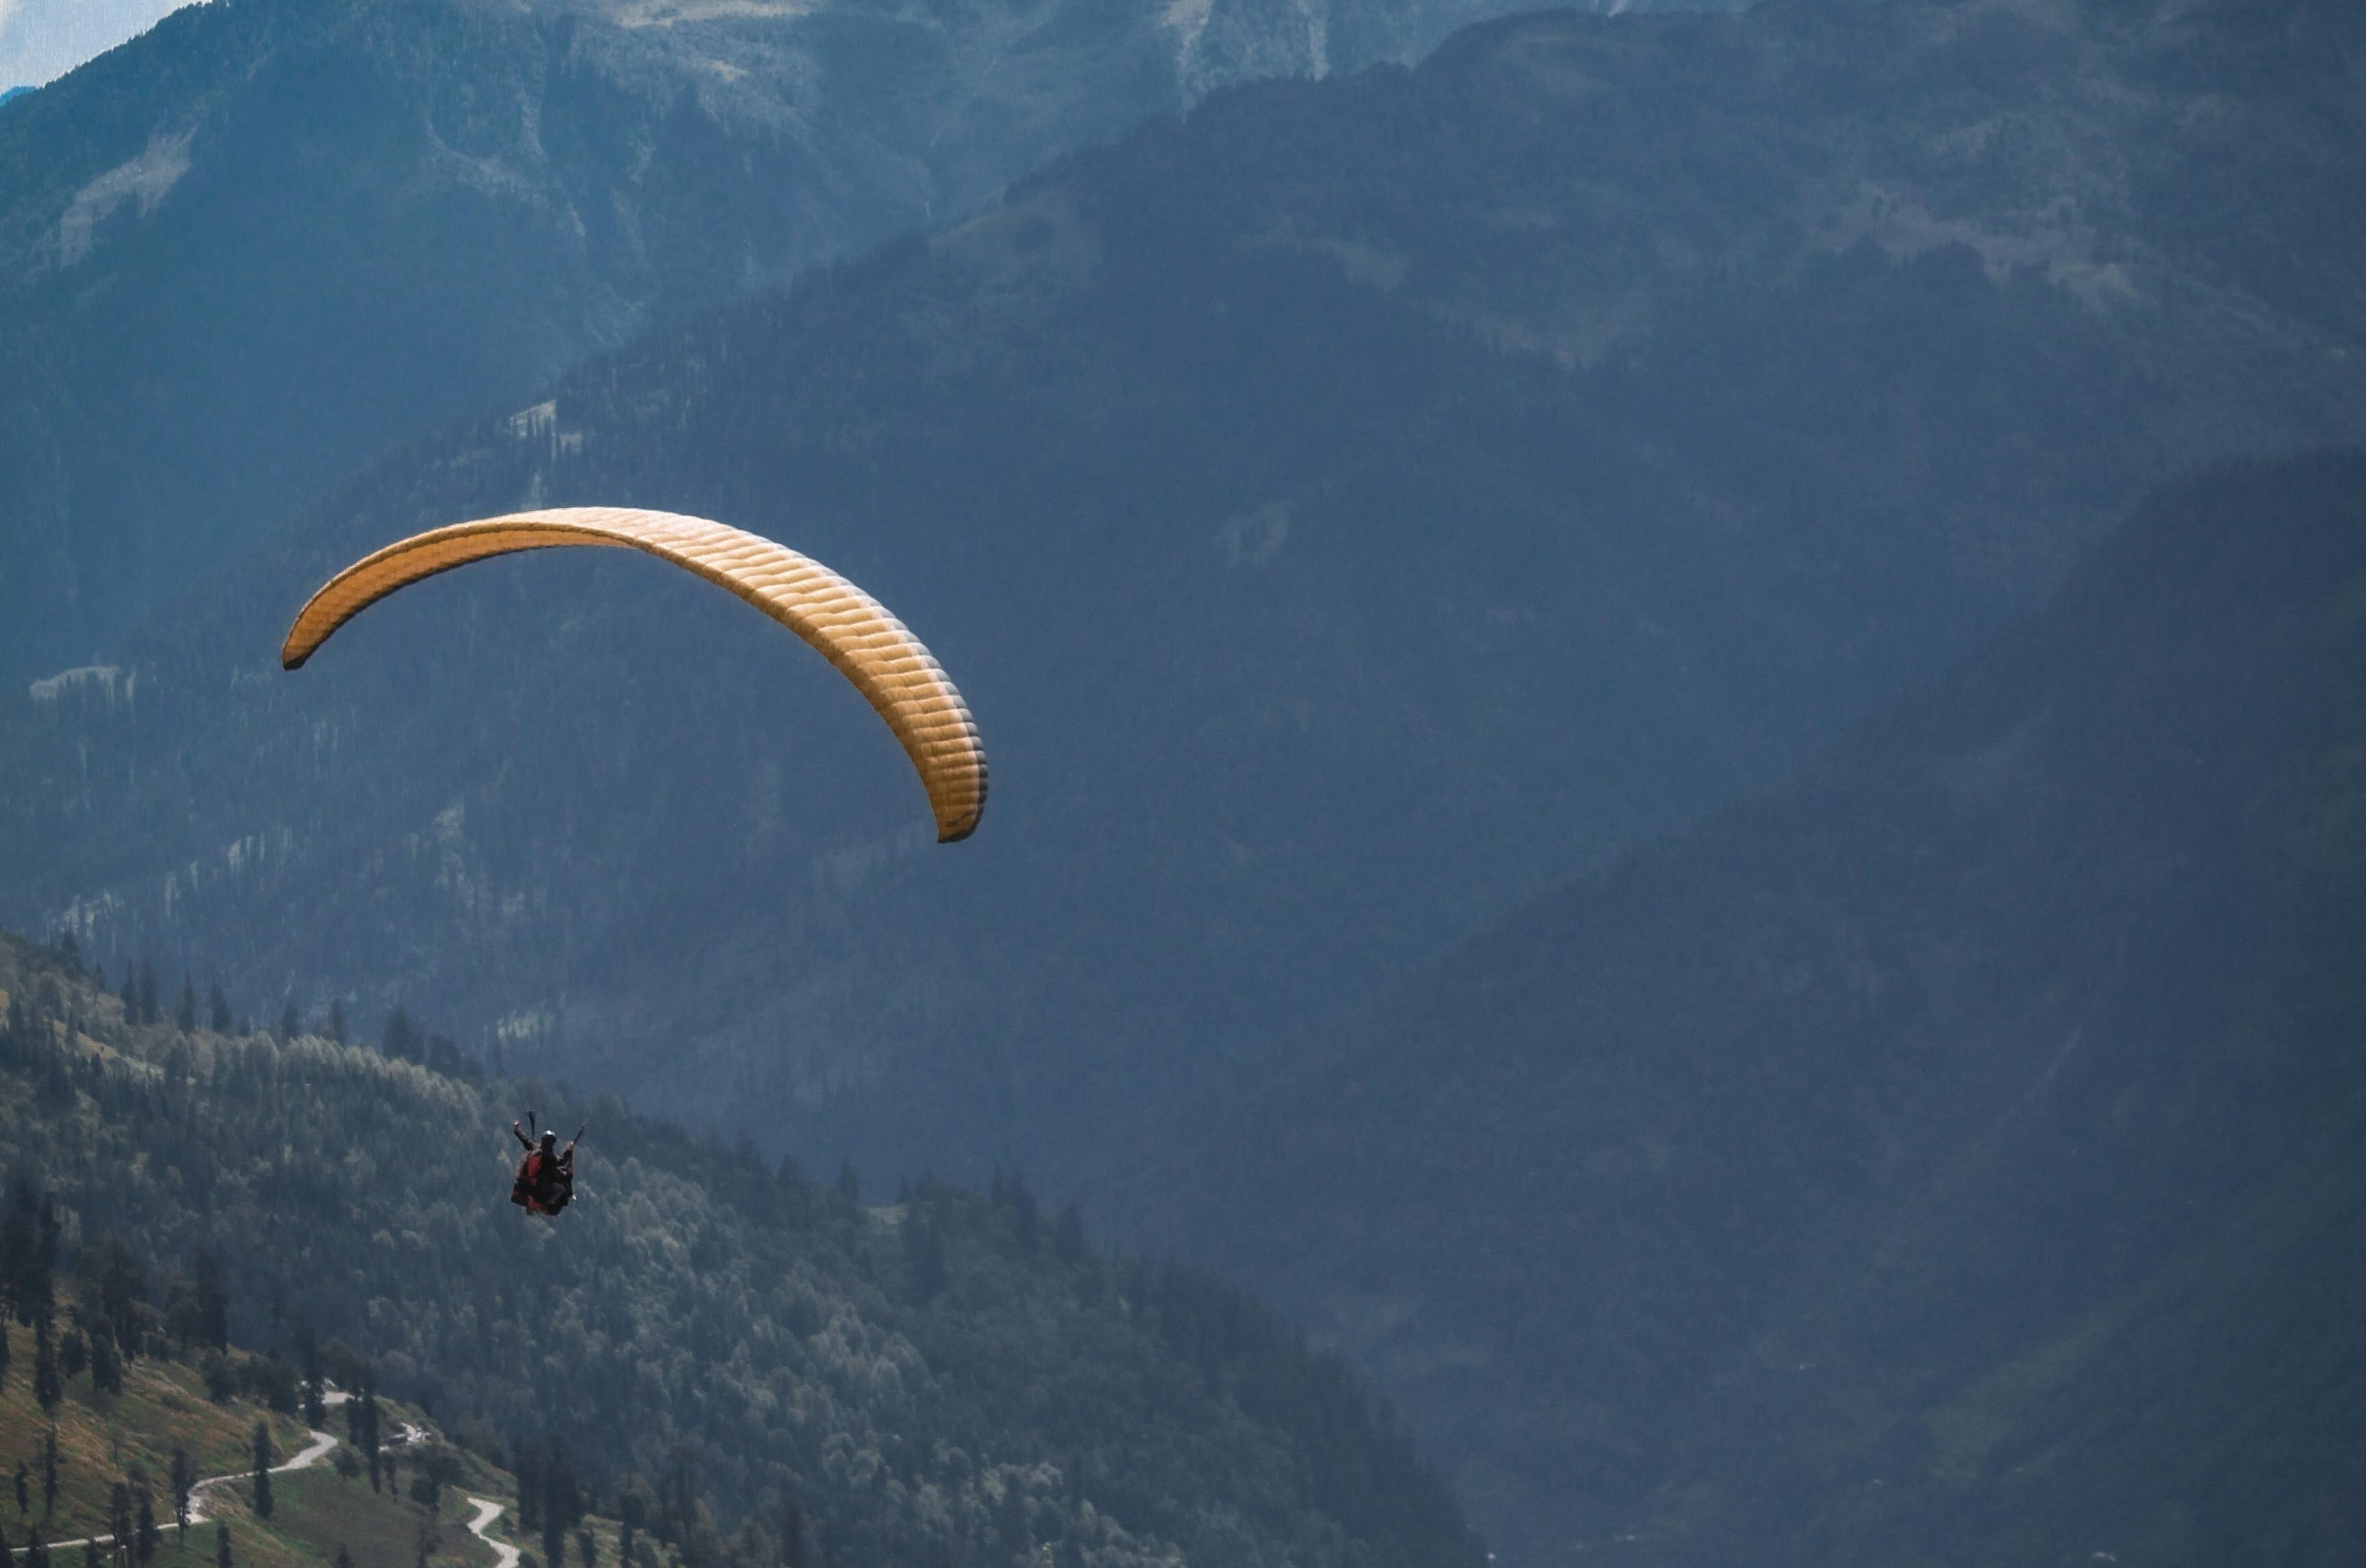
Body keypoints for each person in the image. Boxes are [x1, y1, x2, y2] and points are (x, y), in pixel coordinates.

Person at [509, 1120, 576, 1216]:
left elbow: (525, 1140)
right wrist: (569, 1150)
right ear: (552, 1144)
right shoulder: (548, 1155)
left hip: (523, 1183)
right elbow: (562, 1162)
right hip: (537, 1187)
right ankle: (544, 1207)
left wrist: (517, 1130)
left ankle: (534, 1204)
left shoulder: (535, 1147)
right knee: (560, 1188)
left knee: (556, 1175)